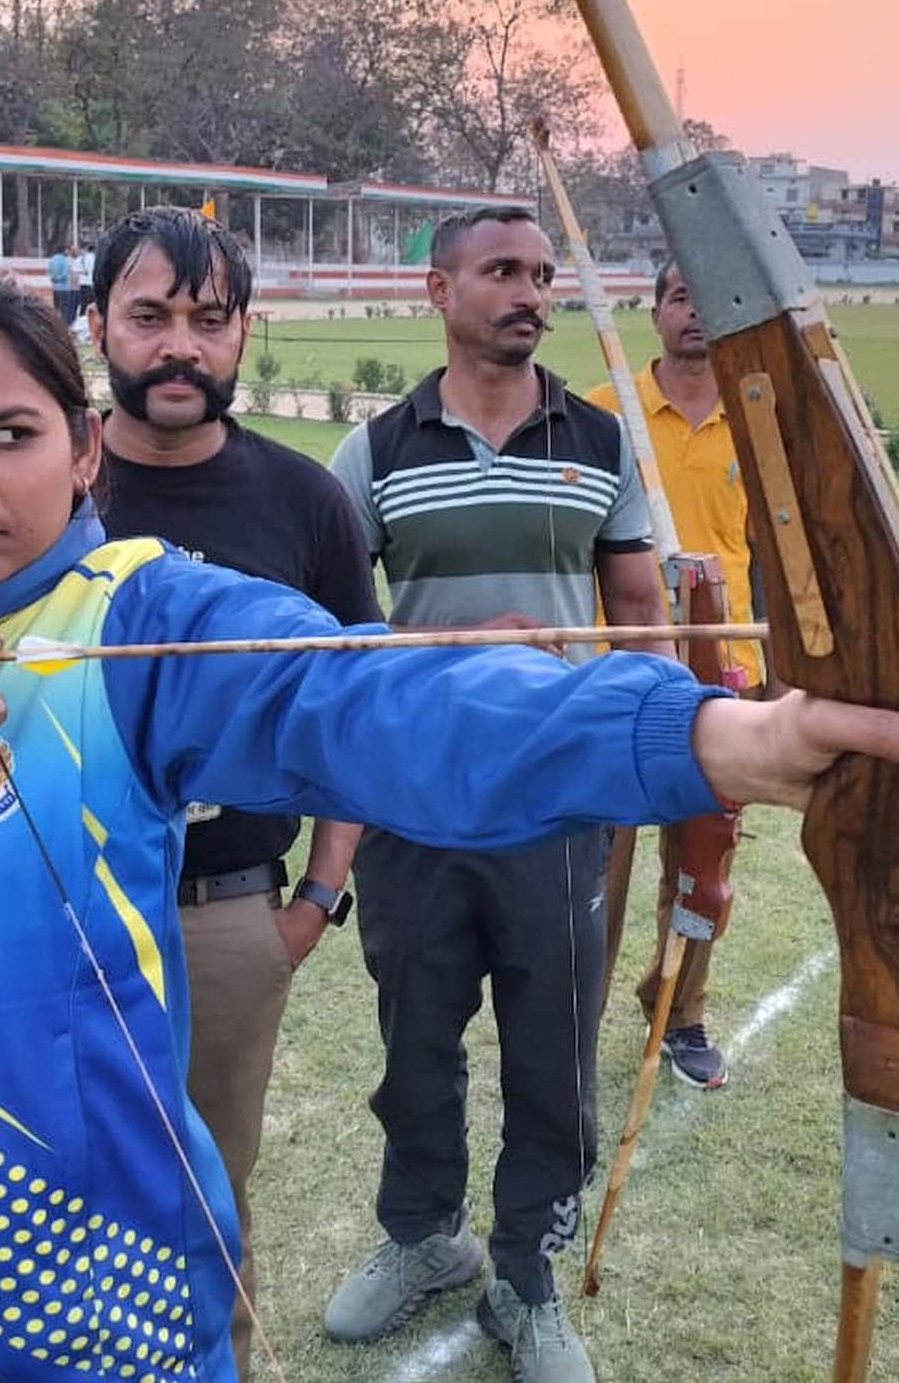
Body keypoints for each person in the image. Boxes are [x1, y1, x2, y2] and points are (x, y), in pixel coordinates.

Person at [0, 264, 899, 1383]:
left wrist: (730, 738)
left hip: (91, 1305)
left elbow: (377, 711)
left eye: (6, 433)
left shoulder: (141, 616)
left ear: (80, 452)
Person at [321, 206, 672, 1381]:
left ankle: (526, 1277)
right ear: (438, 287)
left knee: (550, 1047)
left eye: (540, 272)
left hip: (556, 798)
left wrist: (648, 742)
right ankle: (424, 1237)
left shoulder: (602, 439)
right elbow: (331, 639)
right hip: (414, 796)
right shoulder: (373, 450)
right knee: (414, 1038)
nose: (529, 291)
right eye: (501, 271)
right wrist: (456, 639)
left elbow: (642, 620)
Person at [86, 205, 380, 1378]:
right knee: (48, 1164)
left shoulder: (305, 500)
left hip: (228, 910)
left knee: (210, 1181)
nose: (179, 347)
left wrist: (317, 893)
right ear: (97, 322)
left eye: (208, 321)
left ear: (243, 333)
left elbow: (359, 704)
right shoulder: (42, 479)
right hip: (55, 891)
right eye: (149, 316)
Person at [585, 261, 761, 1091]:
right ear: (654, 311)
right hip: (620, 672)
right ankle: (576, 1007)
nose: (695, 313)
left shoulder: (761, 422)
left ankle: (680, 1011)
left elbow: (776, 559)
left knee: (703, 862)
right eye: (681, 297)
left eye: (708, 297)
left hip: (724, 671)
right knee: (600, 861)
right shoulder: (603, 411)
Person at [47, 238, 79, 325]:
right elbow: (65, 274)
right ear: (64, 251)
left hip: (56, 288)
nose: (68, 252)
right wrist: (59, 278)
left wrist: (54, 279)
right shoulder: (65, 261)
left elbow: (49, 272)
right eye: (68, 250)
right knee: (65, 310)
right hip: (64, 288)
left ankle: (55, 324)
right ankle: (64, 327)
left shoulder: (52, 259)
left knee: (56, 308)